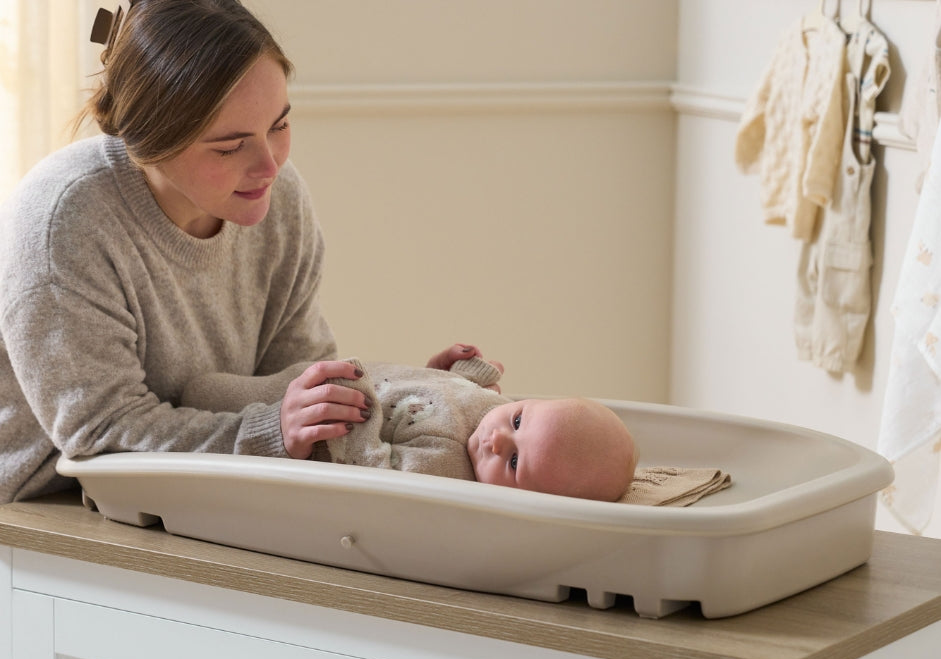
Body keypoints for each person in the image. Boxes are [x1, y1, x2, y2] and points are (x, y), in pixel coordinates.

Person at [0, 0, 485, 505]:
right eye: (230, 147)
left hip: (198, 496)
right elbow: (102, 438)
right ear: (147, 144)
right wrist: (270, 435)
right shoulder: (64, 221)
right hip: (36, 512)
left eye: (279, 125)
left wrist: (410, 400)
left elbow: (294, 382)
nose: (269, 166)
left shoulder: (279, 200)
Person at [182, 356, 639, 502]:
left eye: (515, 462)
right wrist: (458, 372)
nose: (499, 437)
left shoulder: (445, 471)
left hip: (313, 409)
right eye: (519, 420)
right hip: (313, 377)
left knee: (203, 396)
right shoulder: (495, 410)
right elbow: (438, 396)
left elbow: (373, 468)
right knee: (215, 384)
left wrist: (354, 413)